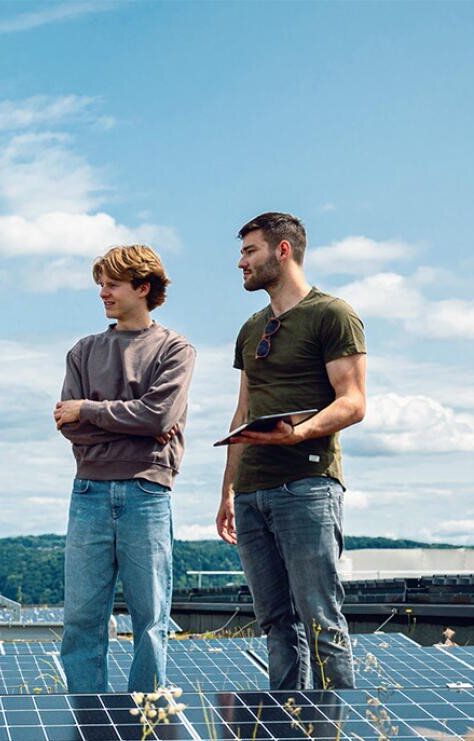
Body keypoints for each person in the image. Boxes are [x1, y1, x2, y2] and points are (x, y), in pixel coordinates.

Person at [216, 212, 368, 690]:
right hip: (252, 492)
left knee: (319, 619)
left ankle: (335, 740)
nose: (240, 262)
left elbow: (353, 402)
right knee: (275, 624)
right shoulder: (251, 328)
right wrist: (227, 493)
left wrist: (300, 433)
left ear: (283, 251)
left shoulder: (332, 314)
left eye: (249, 251)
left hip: (308, 486)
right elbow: (243, 412)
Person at [55, 244, 195, 695]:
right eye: (100, 284)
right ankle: (86, 718)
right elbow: (68, 427)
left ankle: (144, 722)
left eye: (112, 284)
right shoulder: (83, 351)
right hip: (89, 493)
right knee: (81, 620)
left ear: (143, 287)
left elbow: (159, 417)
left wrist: (90, 410)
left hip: (146, 494)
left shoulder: (175, 350)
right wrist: (133, 425)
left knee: (150, 620)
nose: (102, 293)